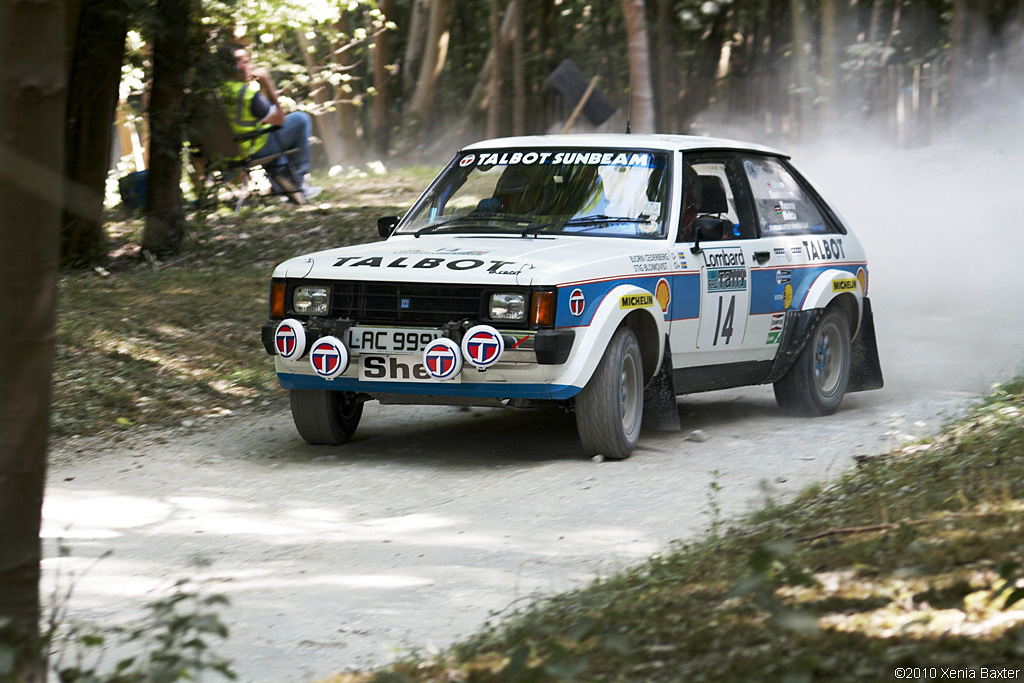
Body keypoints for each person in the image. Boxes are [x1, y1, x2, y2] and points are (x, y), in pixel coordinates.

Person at [220, 43, 321, 201]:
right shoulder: (245, 94)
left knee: (271, 134)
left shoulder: (212, 93)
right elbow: (279, 119)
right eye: (245, 62)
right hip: (251, 150)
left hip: (222, 155)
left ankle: (283, 186)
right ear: (233, 66)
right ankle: (298, 182)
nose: (250, 66)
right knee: (301, 119)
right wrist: (267, 83)